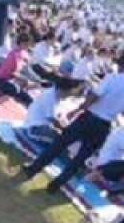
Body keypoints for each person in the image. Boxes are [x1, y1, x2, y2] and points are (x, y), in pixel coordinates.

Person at [22, 55, 124, 193]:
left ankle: (33, 169)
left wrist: (77, 110)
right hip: (105, 124)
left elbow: (94, 97)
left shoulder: (112, 78)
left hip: (90, 117)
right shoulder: (114, 79)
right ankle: (56, 185)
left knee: (59, 144)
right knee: (80, 158)